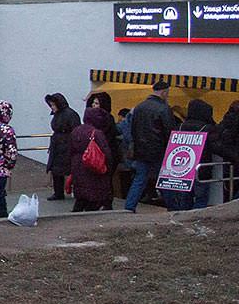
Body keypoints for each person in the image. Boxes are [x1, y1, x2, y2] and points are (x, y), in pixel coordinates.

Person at [123, 81, 176, 213]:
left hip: (141, 150)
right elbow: (170, 131)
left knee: (140, 179)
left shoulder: (139, 107)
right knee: (163, 179)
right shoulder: (163, 109)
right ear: (164, 92)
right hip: (158, 151)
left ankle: (129, 206)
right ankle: (172, 207)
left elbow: (132, 128)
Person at [164, 98, 216, 211]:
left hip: (182, 169)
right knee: (201, 198)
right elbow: (217, 147)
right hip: (201, 168)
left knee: (185, 198)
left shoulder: (180, 127)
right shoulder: (207, 128)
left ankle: (183, 219)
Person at [69, 103, 117, 212]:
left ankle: (78, 212)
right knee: (94, 192)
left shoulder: (76, 131)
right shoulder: (97, 133)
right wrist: (108, 167)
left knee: (81, 192)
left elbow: (70, 149)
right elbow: (106, 152)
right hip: (93, 164)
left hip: (77, 164)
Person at [44, 93, 81, 201]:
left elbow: (76, 130)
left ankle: (63, 192)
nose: (52, 107)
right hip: (59, 144)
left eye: (53, 105)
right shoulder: (61, 114)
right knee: (56, 170)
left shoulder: (69, 115)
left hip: (66, 145)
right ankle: (58, 192)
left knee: (67, 168)